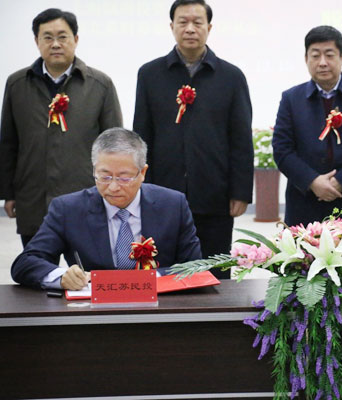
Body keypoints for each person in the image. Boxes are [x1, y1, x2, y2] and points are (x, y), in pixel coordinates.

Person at [133, 0, 253, 279]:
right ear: (171, 26)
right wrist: (142, 188)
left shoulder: (231, 77)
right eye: (183, 22)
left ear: (209, 27)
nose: (190, 29)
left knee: (215, 273)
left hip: (215, 194)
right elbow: (142, 135)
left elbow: (240, 139)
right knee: (163, 273)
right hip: (161, 193)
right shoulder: (150, 74)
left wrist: (240, 192)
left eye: (197, 22)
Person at [11, 128, 202, 290]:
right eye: (104, 176)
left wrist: (147, 281)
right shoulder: (68, 209)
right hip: (94, 309)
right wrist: (61, 276)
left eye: (124, 177)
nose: (113, 187)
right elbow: (25, 263)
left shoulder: (173, 205)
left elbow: (195, 267)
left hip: (159, 307)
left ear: (142, 172)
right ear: (94, 169)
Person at [0, 8, 122, 247]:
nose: (55, 44)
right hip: (33, 199)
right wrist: (8, 194)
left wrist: (112, 192)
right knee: (37, 267)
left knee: (87, 269)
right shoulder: (17, 84)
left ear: (75, 39)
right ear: (36, 41)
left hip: (86, 199)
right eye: (47, 37)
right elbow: (8, 143)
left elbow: (114, 146)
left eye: (62, 36)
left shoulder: (100, 85)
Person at [272, 26, 342, 230]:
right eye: (315, 55)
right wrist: (313, 181)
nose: (322, 62)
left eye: (329, 55)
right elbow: (282, 150)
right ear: (306, 59)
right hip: (305, 202)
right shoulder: (291, 98)